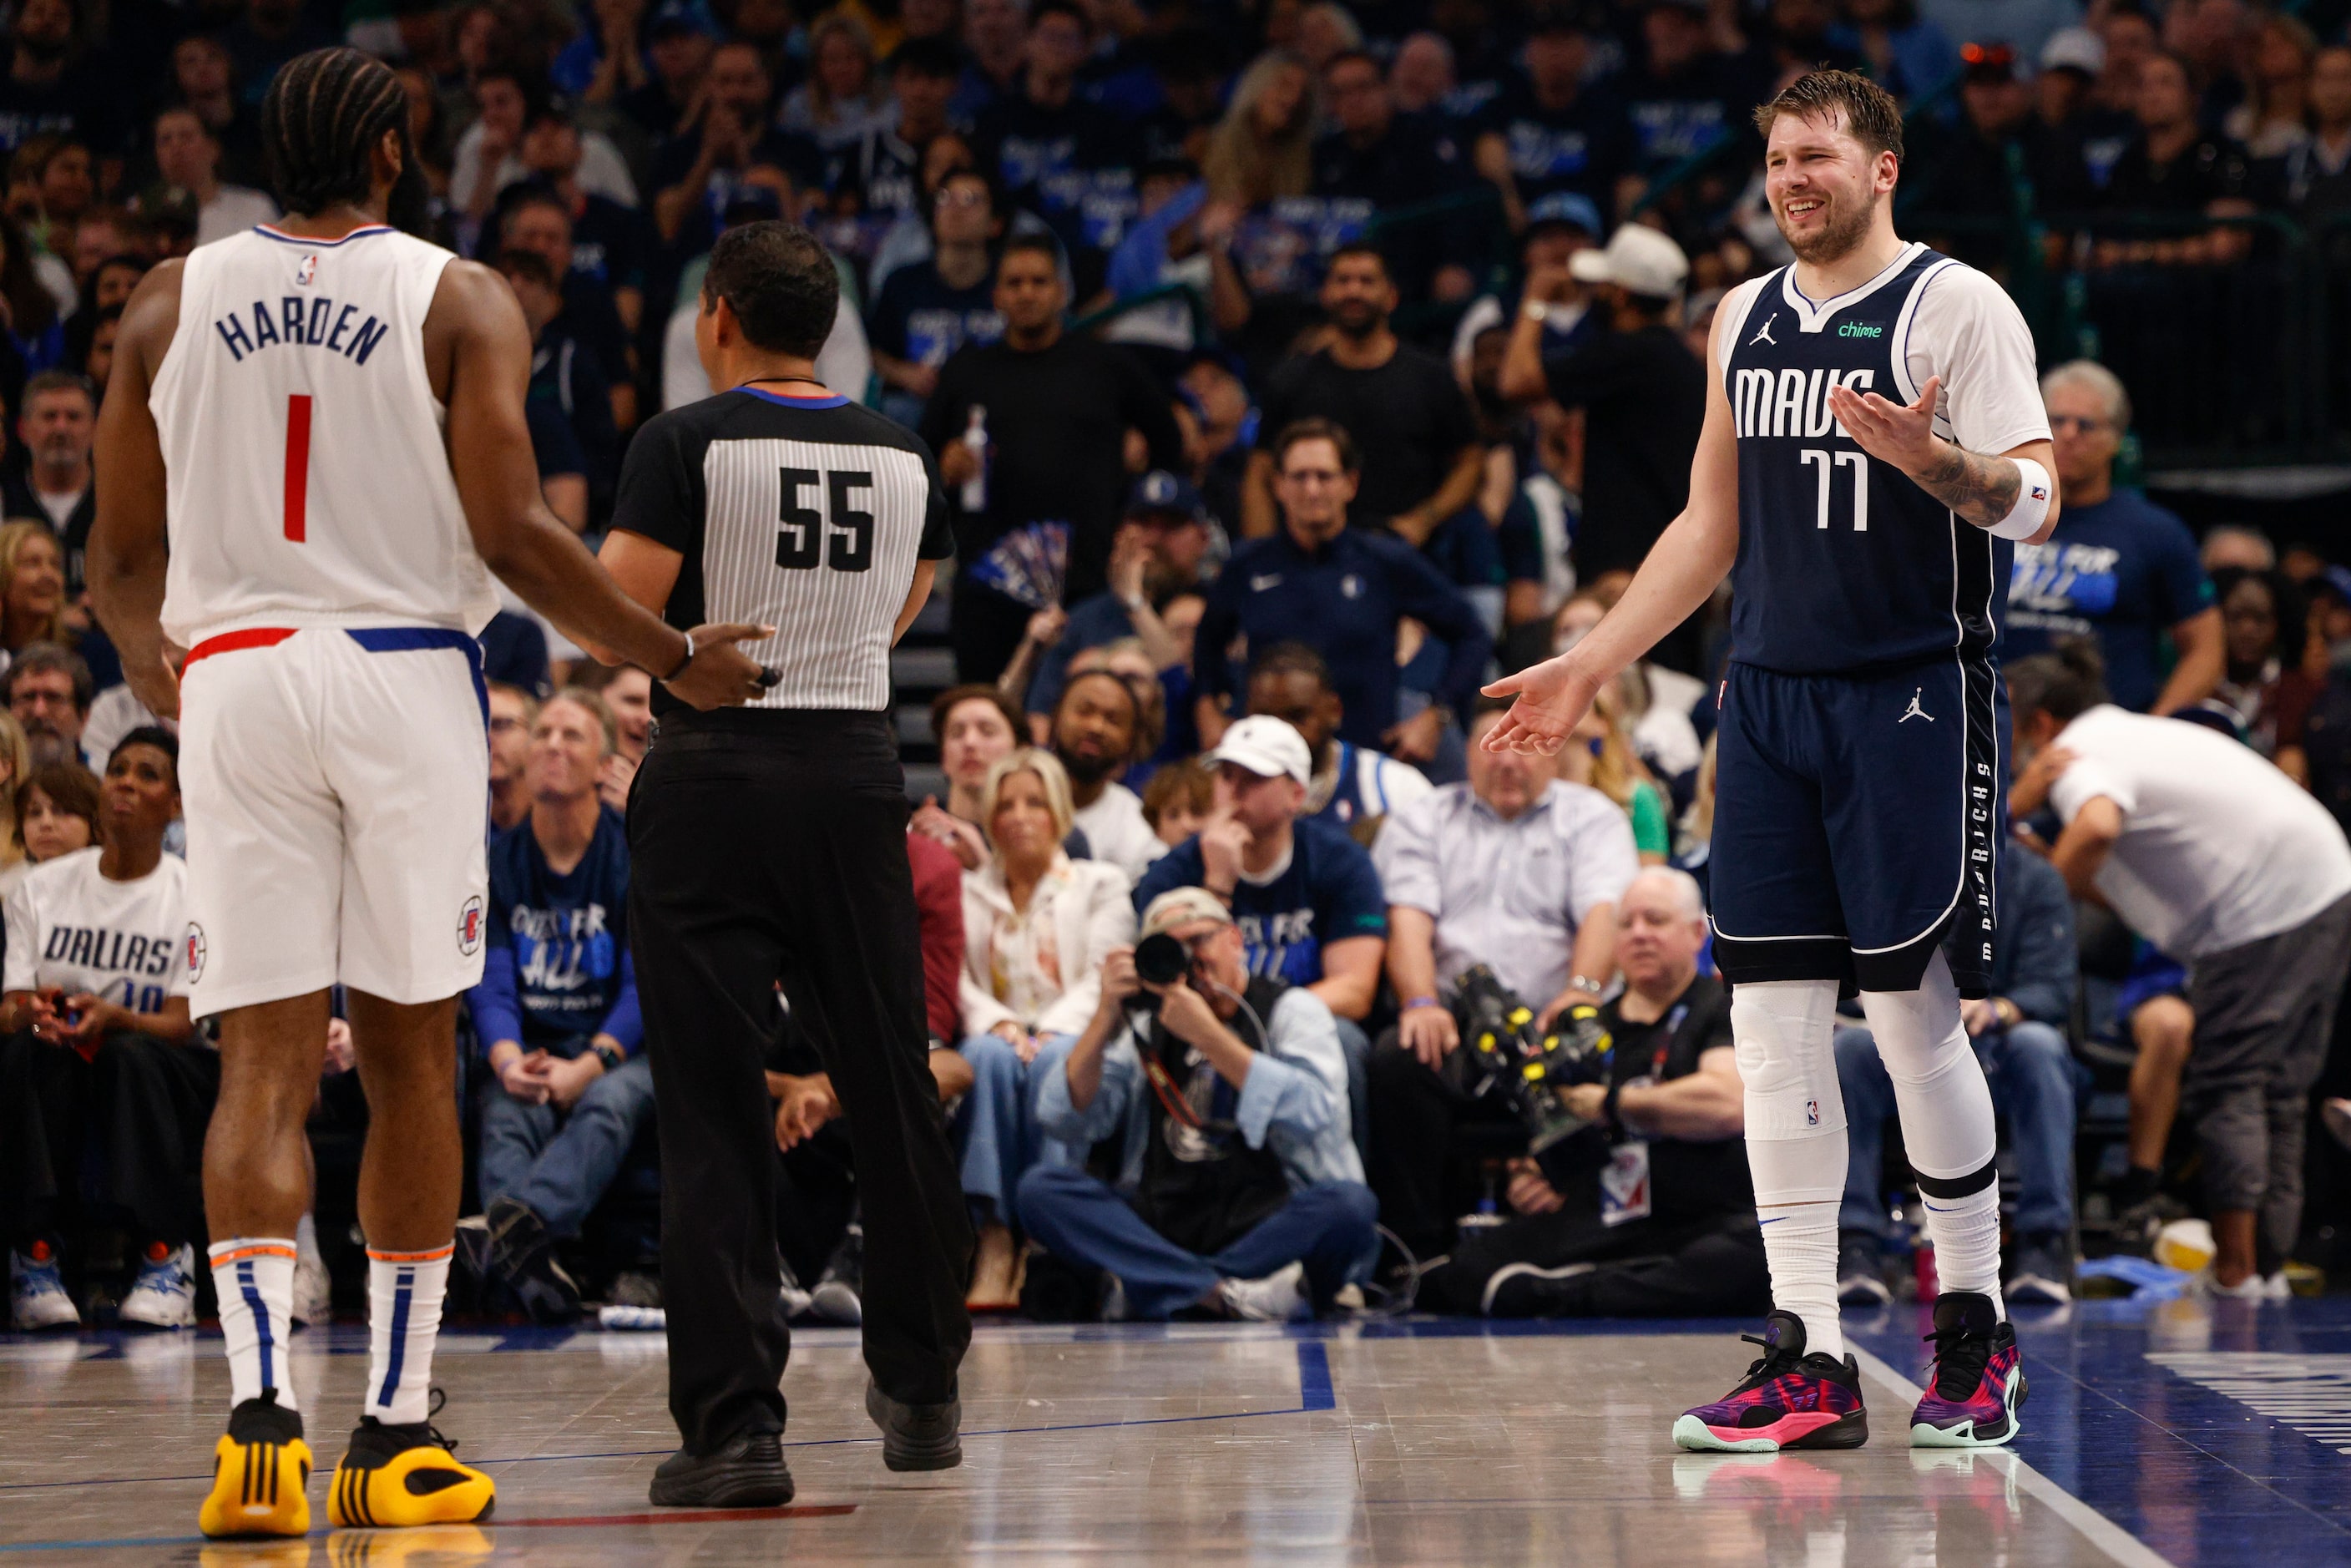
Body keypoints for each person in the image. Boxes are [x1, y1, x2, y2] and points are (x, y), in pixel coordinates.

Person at [88, 47, 765, 1540]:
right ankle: (393, 1429)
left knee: (260, 1059)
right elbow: (518, 532)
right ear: (396, 152)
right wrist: (666, 655)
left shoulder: (160, 300)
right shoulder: (462, 296)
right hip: (402, 670)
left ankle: (259, 1421)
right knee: (409, 1056)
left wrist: (165, 679)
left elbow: (120, 566)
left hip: (242, 672)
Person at [1484, 71, 2060, 1454]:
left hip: (1915, 695)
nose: (1790, 178)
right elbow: (1705, 523)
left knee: (1913, 1016)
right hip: (1771, 699)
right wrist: (1590, 663)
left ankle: (1973, 1335)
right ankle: (1808, 1352)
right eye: (1775, 158)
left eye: (1817, 156)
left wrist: (1949, 468)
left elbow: (2036, 497)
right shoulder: (1739, 316)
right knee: (1772, 1024)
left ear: (1882, 170)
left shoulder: (1958, 305)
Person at [592, 219, 973, 1502]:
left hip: (712, 775)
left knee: (710, 1105)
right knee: (891, 1080)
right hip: (856, 773)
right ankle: (922, 1383)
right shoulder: (907, 450)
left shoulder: (682, 442)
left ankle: (735, 1429)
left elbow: (621, 619)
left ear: (717, 317)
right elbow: (904, 601)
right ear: (825, 330)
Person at [2008, 643, 2351, 1298]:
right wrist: (2059, 864)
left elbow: (2099, 827)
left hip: (2263, 909)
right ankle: (2267, 1270)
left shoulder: (2079, 756)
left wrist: (2026, 824)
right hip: (2327, 879)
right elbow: (2123, 885)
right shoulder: (2131, 732)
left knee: (2229, 1082)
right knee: (2278, 1090)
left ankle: (2235, 1269)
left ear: (2042, 725)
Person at [1418, 868, 1766, 1319]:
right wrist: (1535, 1175)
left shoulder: (1724, 1006)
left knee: (1751, 1263)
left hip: (1704, 1215)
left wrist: (1612, 1104)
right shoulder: (1587, 1029)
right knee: (1463, 1275)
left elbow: (1726, 1103)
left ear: (1697, 933)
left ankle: (1573, 1292)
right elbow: (1553, 1130)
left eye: (1655, 920)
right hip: (1604, 1218)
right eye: (1627, 923)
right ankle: (1613, 1283)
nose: (1639, 934)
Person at [1017, 888, 1376, 1322]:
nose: (1192, 959)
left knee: (1351, 1207)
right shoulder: (1147, 1026)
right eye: (1174, 949)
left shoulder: (1291, 1009)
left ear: (1234, 940)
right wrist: (1104, 1014)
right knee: (1040, 1190)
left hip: (1266, 1217)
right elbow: (1063, 1120)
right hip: (1165, 1217)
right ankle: (1226, 1294)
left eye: (1200, 940)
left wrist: (1209, 1037)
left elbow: (1316, 1113)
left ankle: (1160, 1284)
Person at [1363, 698, 1636, 1260]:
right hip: (1458, 1022)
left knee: (1609, 1055)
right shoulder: (1424, 818)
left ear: (1552, 756)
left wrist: (1581, 994)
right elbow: (1408, 920)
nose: (1508, 760)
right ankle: (1415, 1253)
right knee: (1399, 1058)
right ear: (1466, 758)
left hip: (1560, 1013)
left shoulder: (1592, 817)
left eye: (1524, 745)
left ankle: (1594, 1240)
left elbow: (1602, 913)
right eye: (1493, 745)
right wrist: (1418, 1001)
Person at [463, 690, 653, 1322]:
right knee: (504, 1110)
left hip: (619, 1052)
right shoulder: (497, 859)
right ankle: (533, 1268)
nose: (551, 746)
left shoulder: (633, 851)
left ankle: (513, 1233)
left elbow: (640, 985)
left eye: (571, 736)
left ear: (605, 764)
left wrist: (590, 1065)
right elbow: (489, 979)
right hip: (536, 1045)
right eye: (543, 734)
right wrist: (509, 1058)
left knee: (612, 1101)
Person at [1, 731, 200, 1332]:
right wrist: (30, 1014)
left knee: (130, 1056)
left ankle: (165, 1255)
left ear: (176, 804)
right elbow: (9, 1004)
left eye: (148, 774)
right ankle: (34, 1254)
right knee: (24, 1051)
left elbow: (183, 1024)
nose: (127, 783)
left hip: (161, 1064)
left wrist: (116, 1018)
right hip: (62, 1059)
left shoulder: (192, 895)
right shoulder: (41, 888)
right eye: (118, 769)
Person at [920, 235, 1184, 683]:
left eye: (1039, 281)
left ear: (1061, 292)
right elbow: (919, 467)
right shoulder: (966, 371)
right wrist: (945, 467)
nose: (1027, 292)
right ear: (997, 295)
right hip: (988, 586)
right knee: (987, 713)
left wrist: (1136, 487)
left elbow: (1170, 444)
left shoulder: (1107, 366)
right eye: (1015, 282)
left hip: (1088, 582)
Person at [1834, 841, 2080, 1308]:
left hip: (1996, 1045)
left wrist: (2000, 1008)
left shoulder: (2035, 878)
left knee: (2041, 1046)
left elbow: (2052, 988)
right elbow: (1846, 977)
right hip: (1900, 1042)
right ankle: (1857, 1244)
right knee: (1850, 1048)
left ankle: (2041, 1244)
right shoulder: (1883, 869)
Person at [1200, 420, 1492, 769]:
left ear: (1349, 484)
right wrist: (1206, 710)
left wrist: (1437, 715)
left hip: (1366, 762)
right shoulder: (1247, 565)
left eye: (1324, 476)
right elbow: (1207, 642)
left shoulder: (1387, 562)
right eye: (1299, 477)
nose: (1311, 490)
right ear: (1278, 485)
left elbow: (1472, 634)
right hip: (1268, 768)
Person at [954, 748, 1133, 1308]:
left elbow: (1104, 976)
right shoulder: (966, 889)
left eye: (1035, 802)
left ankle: (1046, 1233)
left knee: (1058, 1061)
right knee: (983, 1055)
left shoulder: (1100, 883)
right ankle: (995, 1237)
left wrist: (1051, 1031)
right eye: (1005, 804)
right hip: (1000, 1033)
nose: (1019, 815)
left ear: (1058, 812)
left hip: (1079, 1037)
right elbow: (955, 978)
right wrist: (1002, 1022)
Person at [1134, 715, 1388, 1031]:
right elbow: (1167, 985)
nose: (1236, 791)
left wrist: (1257, 1018)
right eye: (1227, 776)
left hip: (1297, 1026)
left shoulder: (1341, 862)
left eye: (1254, 778)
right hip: (1198, 1026)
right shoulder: (1171, 874)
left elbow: (1353, 990)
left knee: (1341, 1035)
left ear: (1297, 795)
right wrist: (1217, 889)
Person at [2005, 361, 2219, 716]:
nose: (2069, 434)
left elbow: (2207, 649)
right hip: (1997, 730)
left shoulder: (2156, 532)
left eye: (2085, 425)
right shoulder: (1997, 515)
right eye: (2056, 421)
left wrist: (2150, 731)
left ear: (2117, 440)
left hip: (2107, 736)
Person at [1499, 223, 1705, 582]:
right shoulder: (1677, 358)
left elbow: (1514, 382)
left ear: (1621, 295)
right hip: (1670, 562)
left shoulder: (1629, 353)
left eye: (1602, 285)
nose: (1592, 293)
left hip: (1627, 566)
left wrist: (1535, 298)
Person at [1244, 244, 1484, 547]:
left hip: (1407, 554)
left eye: (1367, 281)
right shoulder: (1291, 381)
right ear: (1325, 294)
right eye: (1342, 281)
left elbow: (1471, 460)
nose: (1353, 291)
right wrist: (1261, 560)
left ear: (1392, 296)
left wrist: (1425, 518)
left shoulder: (1430, 377)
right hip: (1314, 556)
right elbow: (1260, 472)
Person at [1022, 470, 1214, 729]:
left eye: (1172, 525)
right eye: (1143, 523)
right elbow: (1040, 719)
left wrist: (1135, 603)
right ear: (1119, 534)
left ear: (1203, 539)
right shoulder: (1084, 619)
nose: (1155, 539)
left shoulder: (1220, 612)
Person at [1243, 640, 1433, 842]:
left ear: (1335, 711)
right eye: (1265, 718)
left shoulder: (1395, 788)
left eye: (1297, 717)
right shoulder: (1221, 791)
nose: (1280, 733)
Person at [1049, 670, 1161, 883]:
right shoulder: (1010, 798)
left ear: (1131, 739)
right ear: (1056, 717)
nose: (1096, 727)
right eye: (1084, 712)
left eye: (1113, 720)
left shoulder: (1138, 829)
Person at [910, 683, 1029, 870]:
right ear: (943, 757)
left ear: (1021, 751)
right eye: (957, 733)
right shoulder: (912, 837)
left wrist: (982, 864)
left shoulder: (1053, 836)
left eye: (987, 731)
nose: (970, 742)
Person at [3, 372, 94, 585]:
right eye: (49, 416)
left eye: (73, 417)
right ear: (22, 429)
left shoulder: (119, 505)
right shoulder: (4, 501)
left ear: (95, 429)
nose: (61, 428)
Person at [7, 641, 88, 768]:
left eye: (54, 698)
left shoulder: (102, 785)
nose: (39, 711)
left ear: (83, 718)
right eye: (28, 697)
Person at [487, 680, 537, 833]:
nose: (486, 738)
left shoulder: (556, 813)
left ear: (535, 735)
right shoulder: (456, 819)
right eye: (479, 728)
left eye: (500, 725)